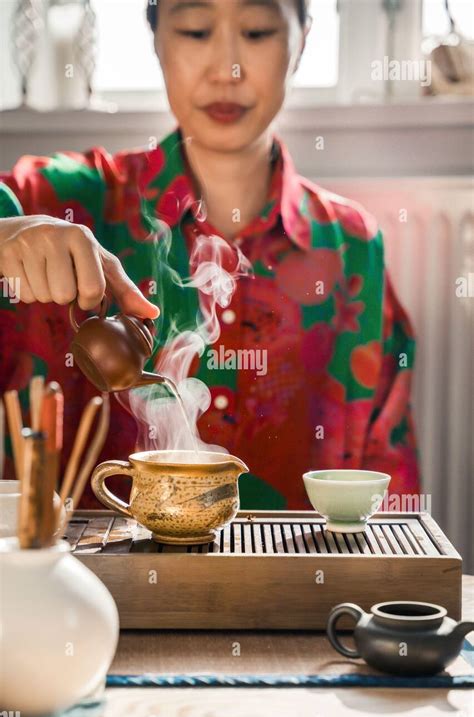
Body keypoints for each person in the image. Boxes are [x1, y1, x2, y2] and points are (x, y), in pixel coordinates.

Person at [0, 0, 420, 510]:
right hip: (92, 586)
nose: (228, 69)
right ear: (156, 39)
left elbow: (390, 487)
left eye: (258, 31)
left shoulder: (352, 248)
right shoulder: (67, 201)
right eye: (196, 31)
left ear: (302, 41)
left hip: (299, 583)